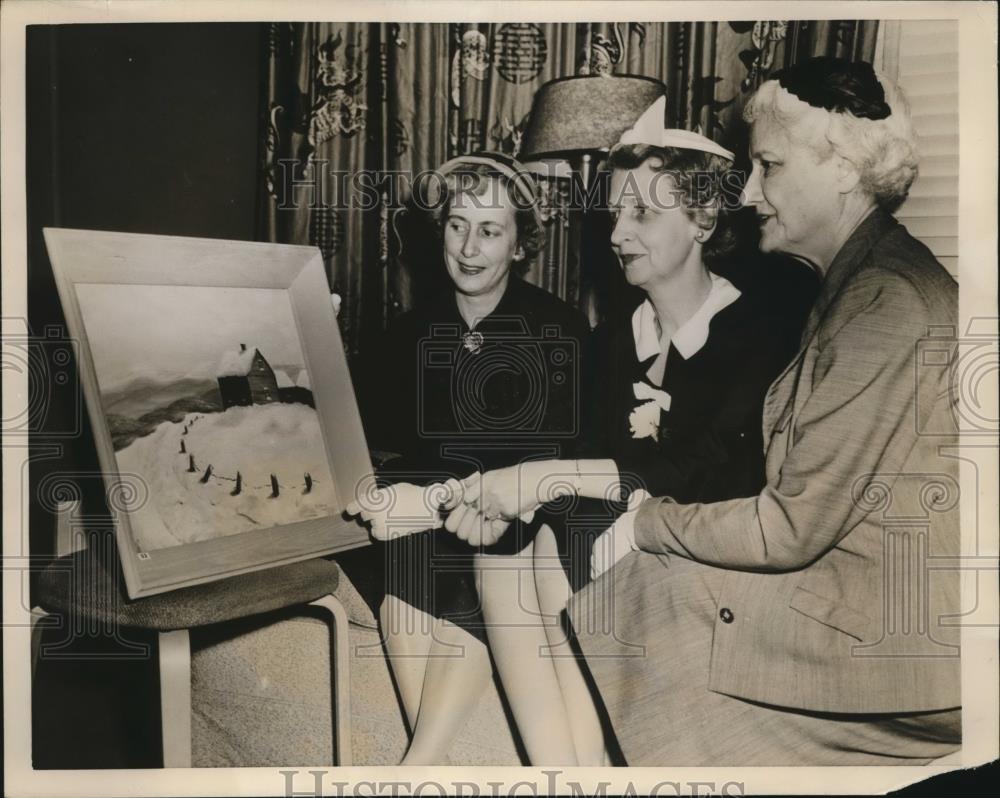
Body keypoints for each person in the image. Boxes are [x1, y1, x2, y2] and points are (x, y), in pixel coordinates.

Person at [460, 56, 961, 765]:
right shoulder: (859, 284)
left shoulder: (879, 300)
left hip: (884, 636)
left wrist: (633, 521)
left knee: (631, 581)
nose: (750, 192)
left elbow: (779, 521)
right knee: (538, 551)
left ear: (845, 169)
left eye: (769, 166)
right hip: (846, 579)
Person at [442, 111, 817, 764]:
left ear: (703, 221)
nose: (618, 234)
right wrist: (511, 495)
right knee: (502, 553)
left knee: (562, 537)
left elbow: (707, 468)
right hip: (613, 543)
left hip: (709, 554)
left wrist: (544, 484)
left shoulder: (760, 329)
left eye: (642, 214)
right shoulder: (618, 338)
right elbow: (583, 453)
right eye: (615, 214)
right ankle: (562, 770)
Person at [349, 152, 589, 764]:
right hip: (433, 514)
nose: (470, 247)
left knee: (488, 542)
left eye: (490, 231)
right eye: (458, 225)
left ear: (519, 245)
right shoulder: (411, 331)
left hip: (521, 513)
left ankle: (417, 767)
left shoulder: (553, 328)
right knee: (404, 557)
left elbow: (538, 465)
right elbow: (380, 436)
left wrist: (429, 501)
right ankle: (430, 766)